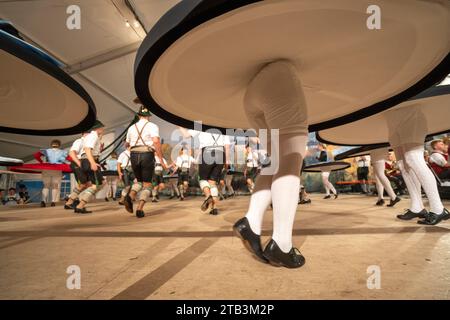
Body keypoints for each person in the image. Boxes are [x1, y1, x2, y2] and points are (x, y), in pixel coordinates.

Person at [233, 61, 308, 268]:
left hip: (250, 97)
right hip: (279, 79)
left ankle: (251, 221)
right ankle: (281, 244)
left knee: (276, 160)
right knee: (292, 156)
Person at [124, 102, 165, 218]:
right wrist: (160, 158)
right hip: (147, 154)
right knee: (147, 184)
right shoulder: (152, 126)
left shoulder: (132, 127)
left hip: (133, 154)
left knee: (139, 181)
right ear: (149, 116)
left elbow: (126, 144)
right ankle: (140, 209)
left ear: (138, 115)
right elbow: (156, 141)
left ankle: (130, 196)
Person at [178, 127, 231, 215]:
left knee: (202, 179)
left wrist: (178, 124)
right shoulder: (222, 126)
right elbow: (227, 146)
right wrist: (227, 161)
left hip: (207, 152)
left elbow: (186, 135)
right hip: (221, 154)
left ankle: (208, 196)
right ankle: (214, 208)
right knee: (212, 182)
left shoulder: (201, 125)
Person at [74, 120, 106, 214]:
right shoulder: (93, 135)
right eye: (102, 128)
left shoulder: (91, 136)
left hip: (87, 160)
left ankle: (80, 203)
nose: (103, 129)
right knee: (97, 185)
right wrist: (92, 163)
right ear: (98, 128)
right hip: (89, 160)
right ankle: (80, 205)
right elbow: (87, 149)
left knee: (100, 183)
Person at [35, 140, 68, 207]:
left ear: (51, 144)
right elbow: (69, 159)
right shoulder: (63, 152)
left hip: (47, 168)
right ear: (59, 145)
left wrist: (41, 162)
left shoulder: (46, 151)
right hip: (57, 169)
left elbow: (36, 155)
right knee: (55, 186)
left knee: (46, 185)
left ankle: (43, 201)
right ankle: (53, 202)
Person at [64, 132, 89, 210]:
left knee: (85, 184)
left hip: (83, 163)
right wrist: (79, 163)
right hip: (77, 163)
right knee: (84, 184)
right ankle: (70, 201)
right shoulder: (79, 141)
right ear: (84, 133)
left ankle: (69, 201)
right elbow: (72, 153)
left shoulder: (88, 142)